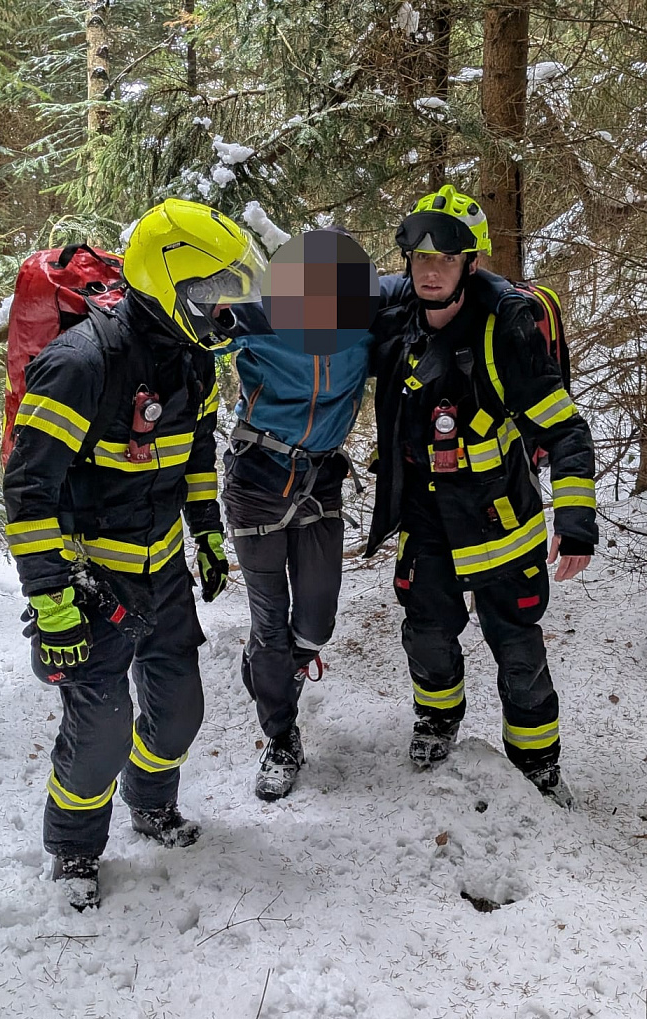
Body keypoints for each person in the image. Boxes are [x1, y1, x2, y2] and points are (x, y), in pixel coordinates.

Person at [2, 199, 263, 909]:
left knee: (178, 714)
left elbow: (196, 453)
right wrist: (52, 599)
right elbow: (28, 492)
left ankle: (150, 803)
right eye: (216, 293)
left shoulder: (193, 357)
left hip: (163, 569)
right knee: (100, 734)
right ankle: (74, 850)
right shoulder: (80, 365)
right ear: (171, 284)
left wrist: (207, 530)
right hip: (90, 585)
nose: (227, 309)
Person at [364, 185, 598, 808]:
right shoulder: (396, 322)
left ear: (470, 262)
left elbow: (565, 429)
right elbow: (319, 324)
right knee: (427, 633)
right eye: (421, 257)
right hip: (427, 518)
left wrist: (576, 519)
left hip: (500, 520)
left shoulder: (506, 331)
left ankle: (536, 760)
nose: (431, 270)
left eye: (446, 258)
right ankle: (438, 720)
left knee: (517, 648)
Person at [215, 229, 380, 801]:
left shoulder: (365, 327)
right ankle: (281, 738)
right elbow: (191, 328)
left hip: (319, 482)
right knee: (269, 621)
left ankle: (276, 667)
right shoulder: (256, 318)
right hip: (256, 479)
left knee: (315, 623)